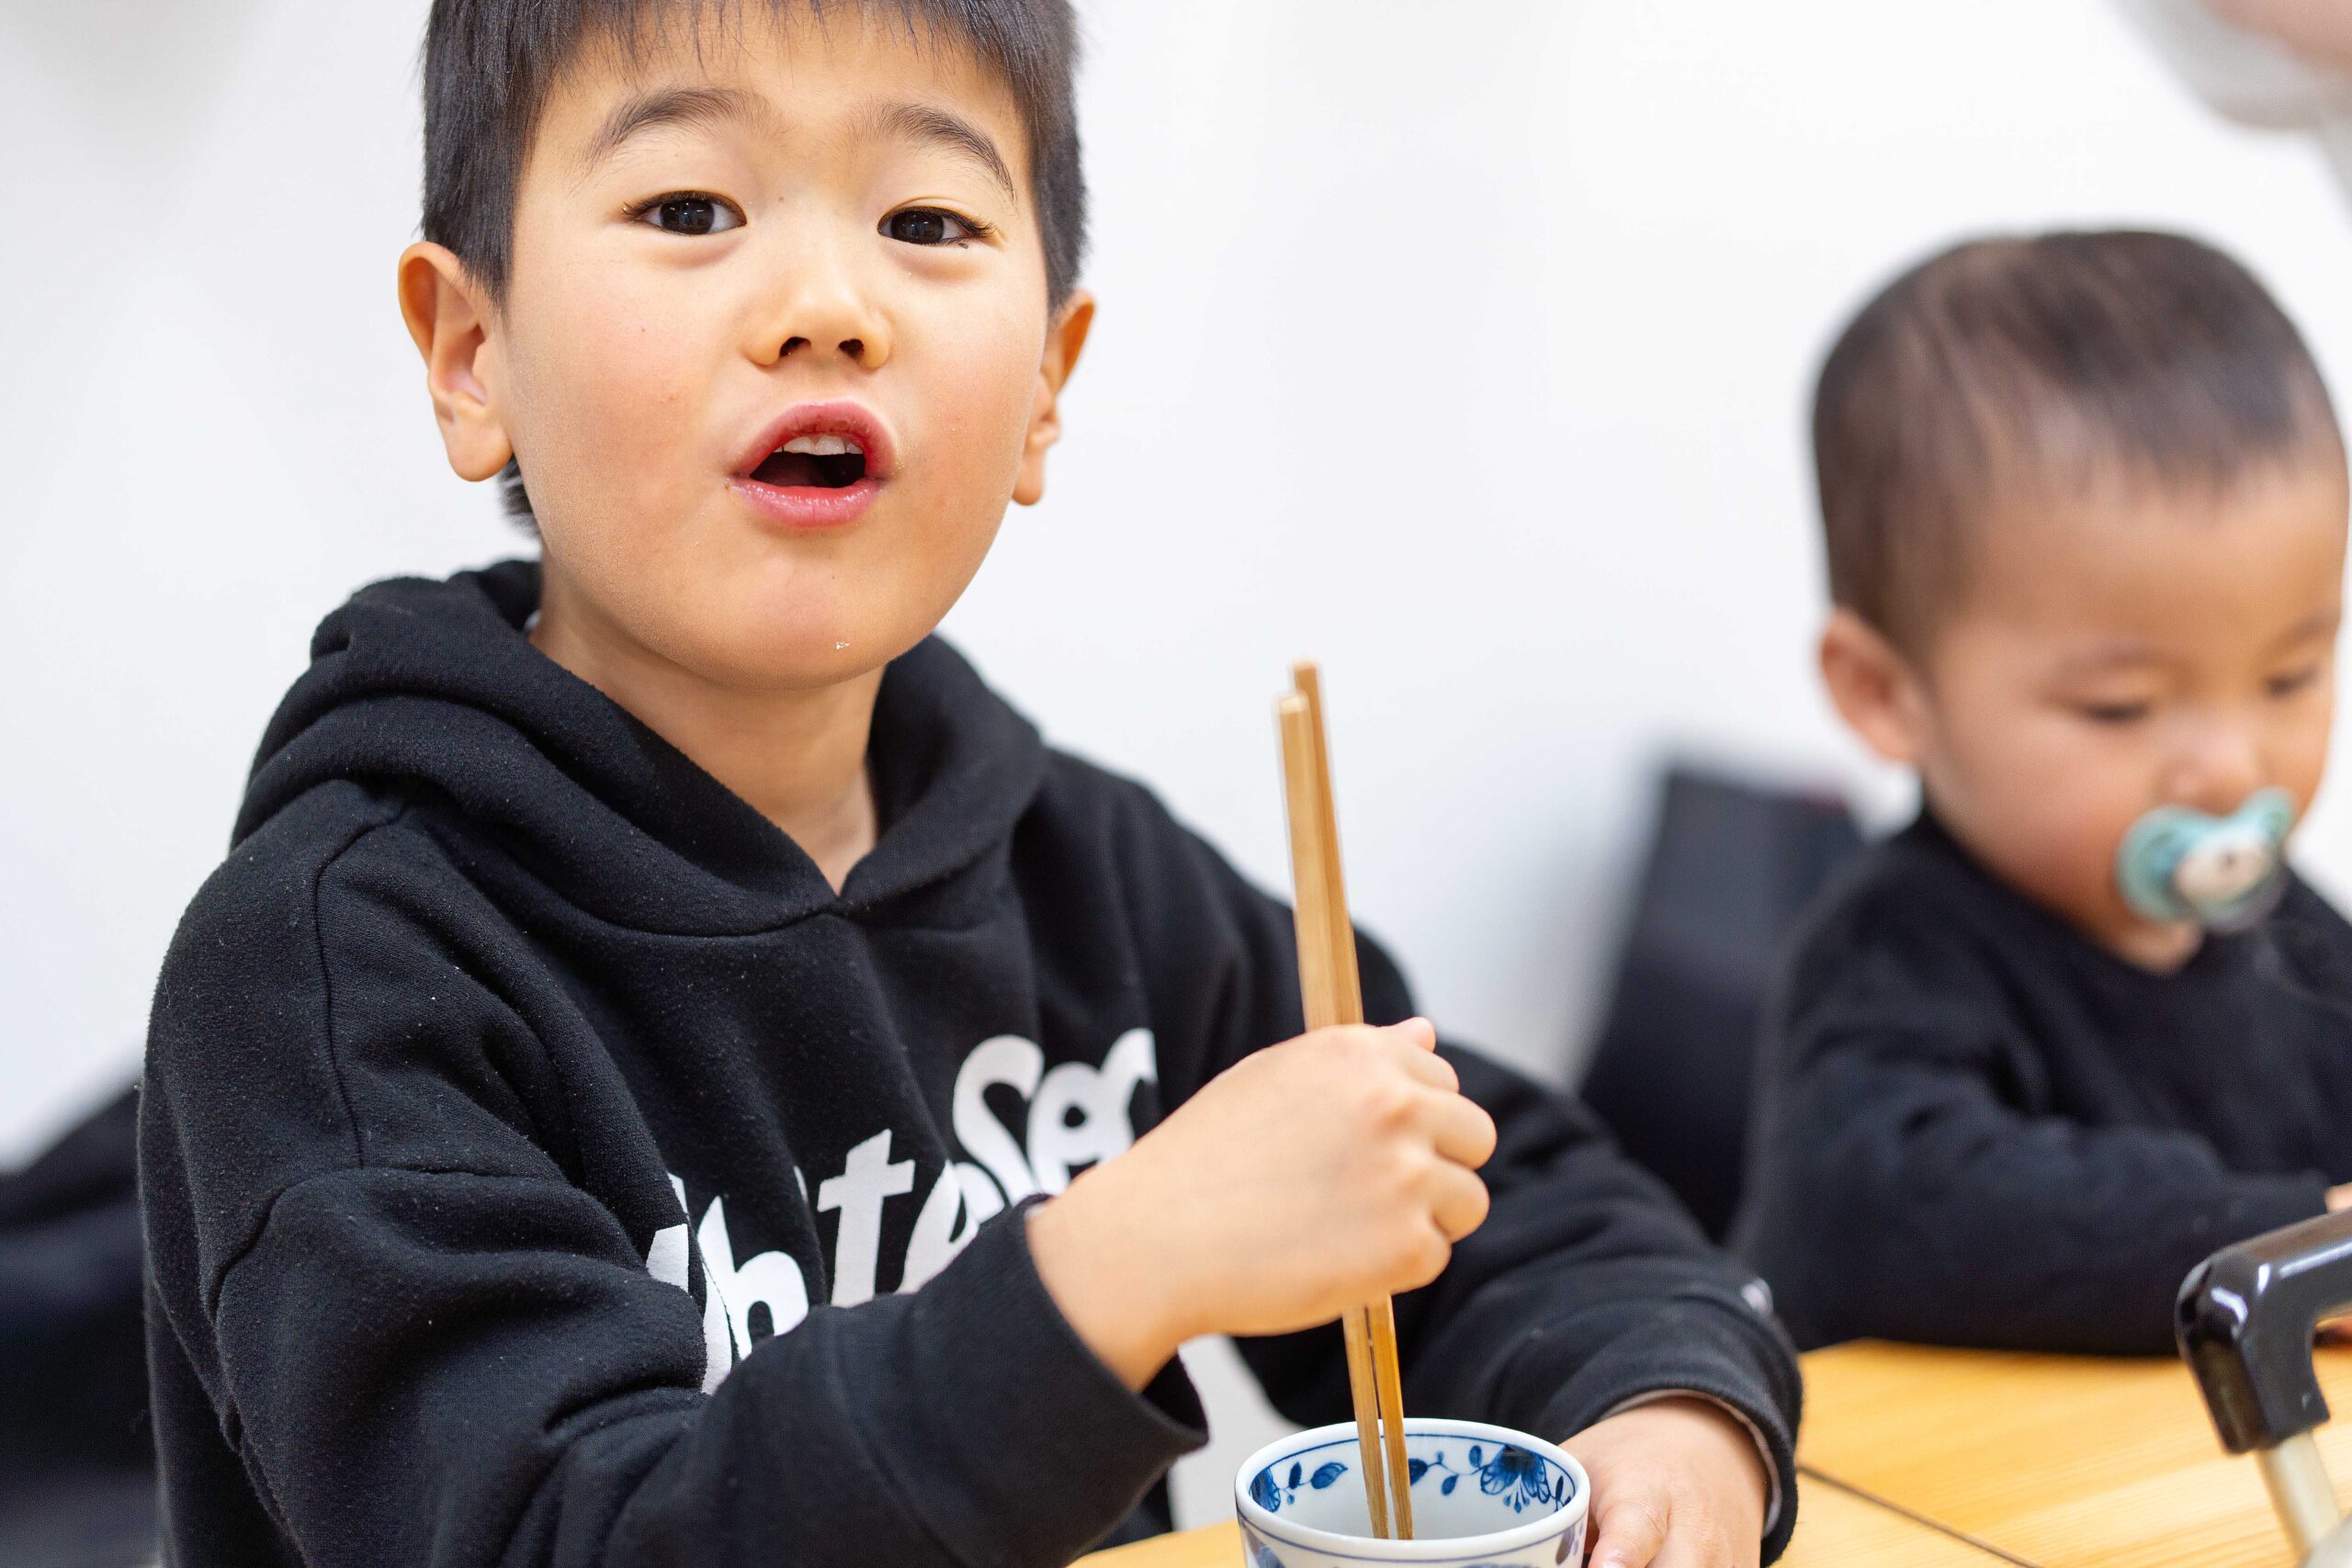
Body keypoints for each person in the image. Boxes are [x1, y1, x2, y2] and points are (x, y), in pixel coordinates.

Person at [136, 4, 1802, 1564]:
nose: (825, 304)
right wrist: (1112, 1266)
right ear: (470, 350)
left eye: (925, 224)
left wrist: (1671, 1409)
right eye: (692, 208)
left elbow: (1512, 1195)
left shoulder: (1092, 877)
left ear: (1047, 391)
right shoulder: (332, 972)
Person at [1734, 229, 2352, 1354]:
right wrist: (2290, 1243)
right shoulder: (1896, 950)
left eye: (2288, 675)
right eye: (2121, 706)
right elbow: (1879, 1212)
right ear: (1885, 693)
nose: (2228, 765)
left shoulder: (2282, 928)